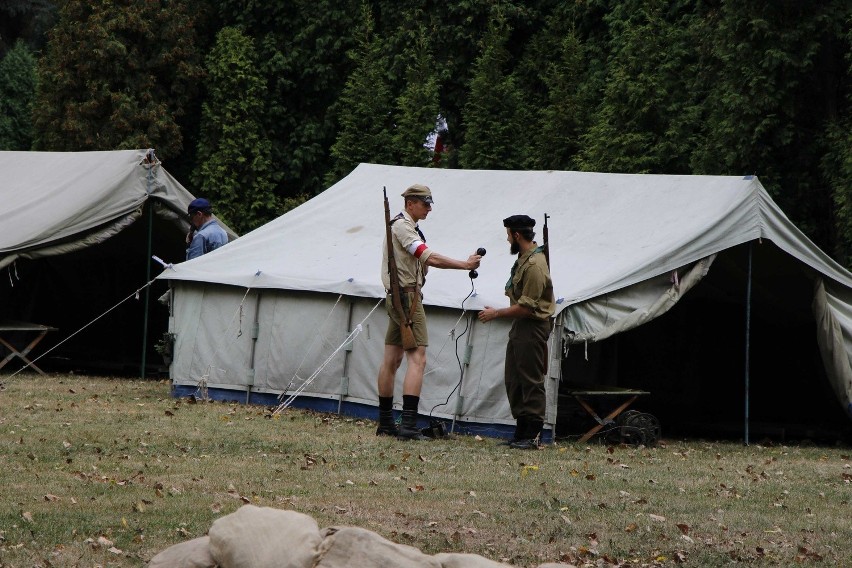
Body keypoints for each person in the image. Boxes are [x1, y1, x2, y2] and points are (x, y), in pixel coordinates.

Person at [377, 184, 482, 440]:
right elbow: (428, 257)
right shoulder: (403, 226)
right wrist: (464, 264)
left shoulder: (405, 225)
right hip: (408, 298)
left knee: (392, 359)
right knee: (418, 359)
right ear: (410, 203)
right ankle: (408, 426)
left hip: (398, 296)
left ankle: (386, 423)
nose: (429, 208)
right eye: (425, 204)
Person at [477, 215, 555, 449]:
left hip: (532, 326)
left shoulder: (534, 265)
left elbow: (526, 306)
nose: (507, 239)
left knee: (531, 380)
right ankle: (521, 434)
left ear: (516, 235)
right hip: (521, 327)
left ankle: (532, 436)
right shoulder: (524, 258)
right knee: (514, 380)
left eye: (508, 235)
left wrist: (496, 314)